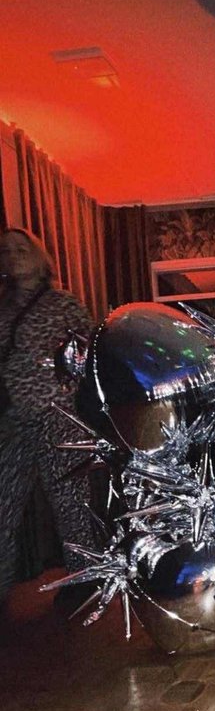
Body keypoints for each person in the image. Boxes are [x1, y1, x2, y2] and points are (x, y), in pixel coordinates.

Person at [0, 228, 95, 606]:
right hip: (15, 418)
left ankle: (85, 583)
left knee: (71, 504)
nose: (14, 255)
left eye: (21, 248)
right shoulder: (2, 310)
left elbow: (90, 353)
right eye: (7, 250)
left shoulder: (63, 304)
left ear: (40, 257)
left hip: (58, 415)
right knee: (4, 503)